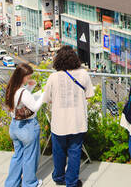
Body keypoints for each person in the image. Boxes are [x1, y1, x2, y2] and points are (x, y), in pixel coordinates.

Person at [42, 46, 94, 187]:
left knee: (58, 151)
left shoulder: (53, 77)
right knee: (75, 152)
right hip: (77, 120)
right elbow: (89, 95)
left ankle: (59, 177)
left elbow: (47, 98)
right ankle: (71, 182)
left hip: (59, 121)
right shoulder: (83, 74)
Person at [5, 63, 45, 187]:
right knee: (30, 157)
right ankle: (29, 183)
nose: (29, 78)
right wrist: (44, 94)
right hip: (27, 127)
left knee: (18, 156)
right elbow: (34, 107)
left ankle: (11, 184)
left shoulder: (12, 89)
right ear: (22, 76)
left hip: (15, 127)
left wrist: (30, 87)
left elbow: (20, 100)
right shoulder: (23, 92)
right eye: (28, 77)